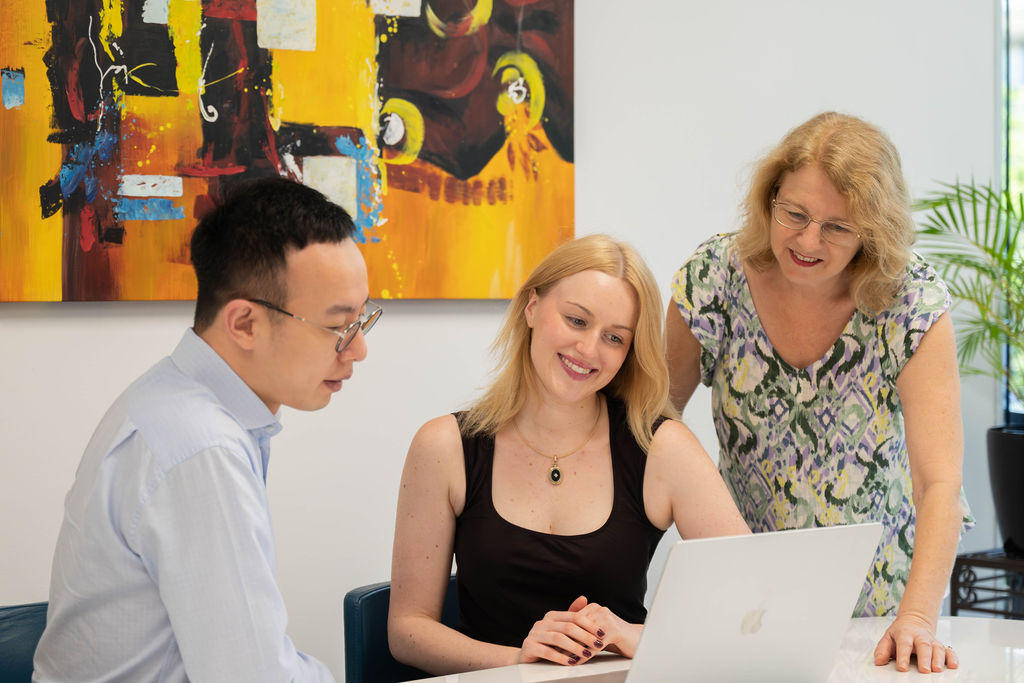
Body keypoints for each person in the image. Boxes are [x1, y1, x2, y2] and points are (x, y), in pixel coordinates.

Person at [33, 177, 382, 682]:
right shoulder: (201, 447)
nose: (359, 350)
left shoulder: (171, 398)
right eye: (338, 326)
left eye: (362, 320)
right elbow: (253, 676)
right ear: (244, 324)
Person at [666, 112, 973, 674]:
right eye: (795, 214)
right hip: (743, 598)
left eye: (837, 227)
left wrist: (917, 618)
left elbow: (940, 483)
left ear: (872, 231)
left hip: (881, 609)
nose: (808, 240)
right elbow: (652, 427)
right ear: (770, 199)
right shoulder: (714, 277)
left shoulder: (909, 299)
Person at [389, 234, 750, 674]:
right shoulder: (443, 446)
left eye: (614, 338)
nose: (589, 350)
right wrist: (519, 661)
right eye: (577, 320)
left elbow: (753, 603)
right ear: (532, 306)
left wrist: (634, 636)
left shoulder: (662, 448)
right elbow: (407, 630)